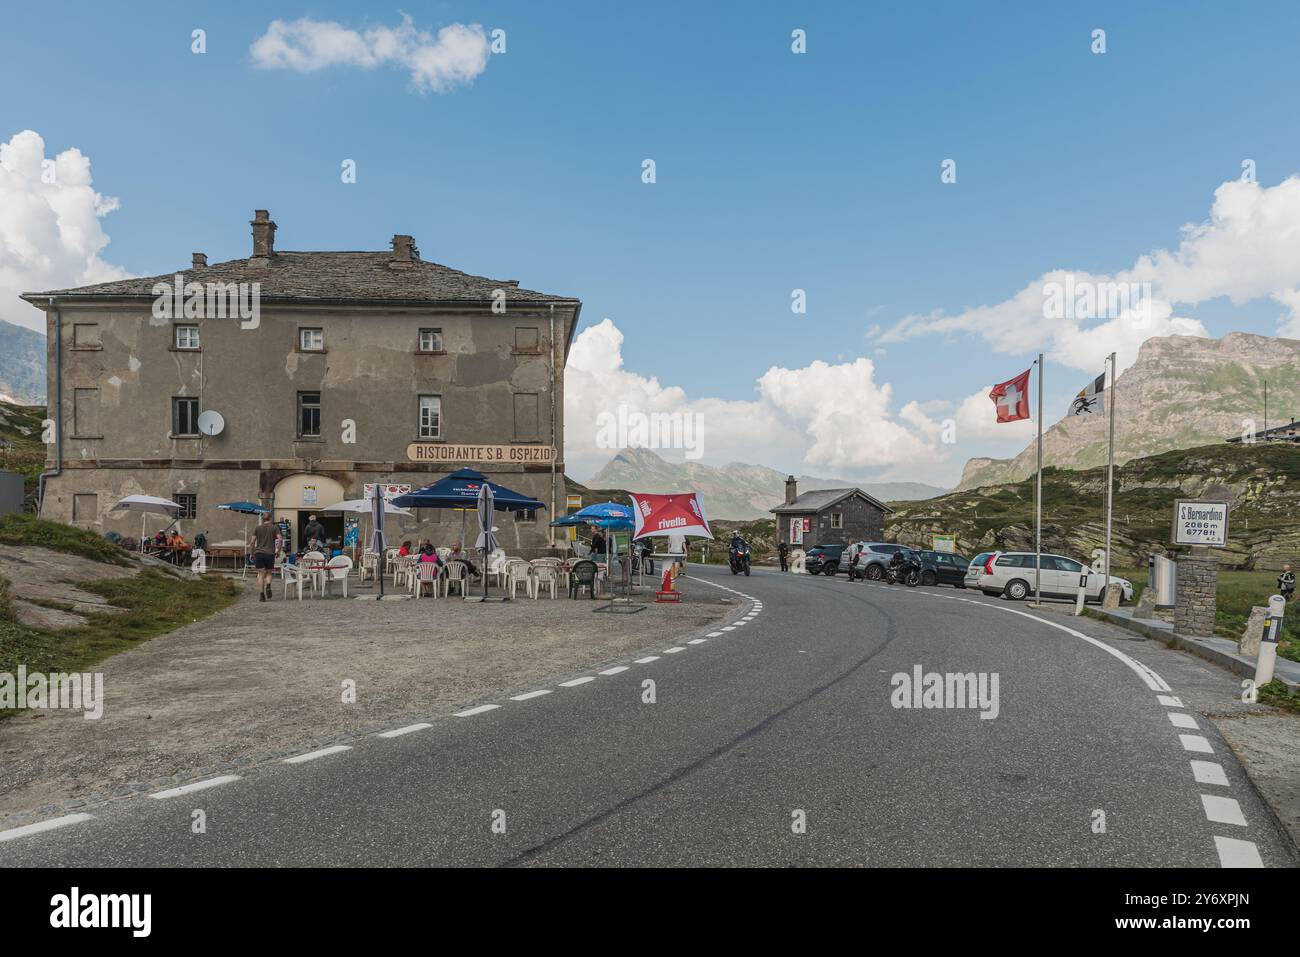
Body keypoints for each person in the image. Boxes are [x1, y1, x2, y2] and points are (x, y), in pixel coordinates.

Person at [250, 513, 279, 601]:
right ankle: (268, 585)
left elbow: (252, 542)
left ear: (263, 519)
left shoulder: (257, 528)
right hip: (270, 554)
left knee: (260, 574)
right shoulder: (275, 527)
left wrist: (251, 553)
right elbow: (280, 539)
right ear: (270, 518)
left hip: (259, 553)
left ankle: (262, 595)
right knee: (269, 572)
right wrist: (278, 550)